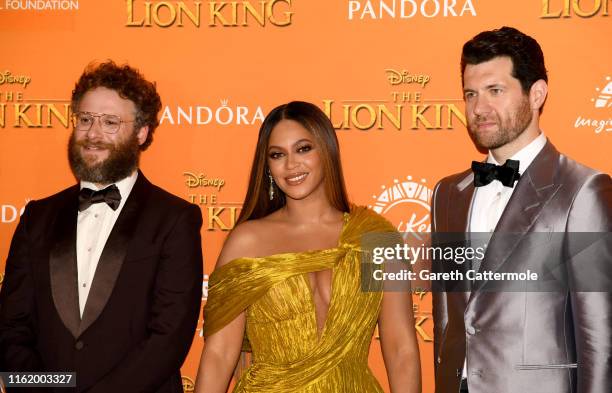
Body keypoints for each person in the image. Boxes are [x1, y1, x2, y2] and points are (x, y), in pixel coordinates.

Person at [0, 61, 203, 392]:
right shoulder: (38, 217)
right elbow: (12, 328)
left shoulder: (174, 219)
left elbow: (169, 336)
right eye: (85, 119)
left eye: (110, 122)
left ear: (142, 131)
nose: (93, 134)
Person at [431, 27, 611, 393]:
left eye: (495, 91)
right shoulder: (448, 193)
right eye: (470, 94)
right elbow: (447, 319)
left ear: (537, 93)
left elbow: (601, 338)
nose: (479, 108)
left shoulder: (582, 191)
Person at [194, 101, 421, 393]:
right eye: (277, 155)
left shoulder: (375, 236)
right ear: (268, 167)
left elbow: (401, 348)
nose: (291, 165)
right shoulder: (246, 242)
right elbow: (219, 353)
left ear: (326, 151)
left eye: (303, 149)